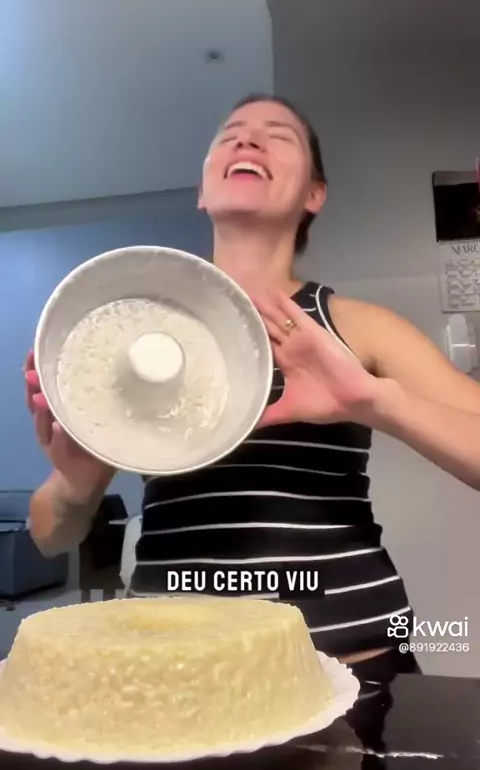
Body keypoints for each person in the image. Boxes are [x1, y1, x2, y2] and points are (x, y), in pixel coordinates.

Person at [25, 93, 480, 687]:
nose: (246, 139)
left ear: (314, 193)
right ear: (202, 191)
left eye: (278, 135)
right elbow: (49, 534)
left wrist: (373, 401)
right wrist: (78, 484)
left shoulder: (356, 325)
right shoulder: (141, 340)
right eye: (230, 133)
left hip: (348, 666)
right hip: (175, 670)